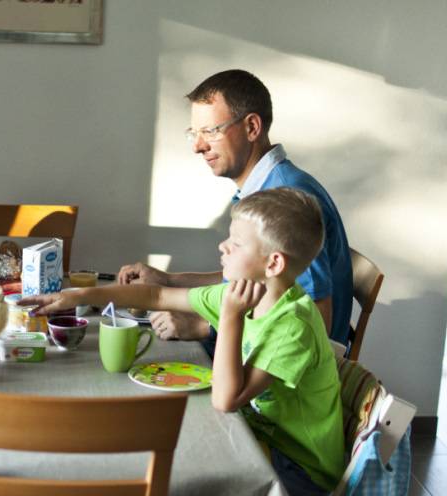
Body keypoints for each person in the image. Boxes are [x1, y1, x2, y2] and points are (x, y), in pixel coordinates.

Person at [23, 188, 343, 496]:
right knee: (164, 435)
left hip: (298, 468)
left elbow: (226, 399)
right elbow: (155, 296)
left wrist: (230, 317)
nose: (223, 247)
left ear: (273, 263)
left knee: (180, 465)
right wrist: (75, 296)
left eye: (236, 243)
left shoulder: (291, 326)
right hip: (260, 435)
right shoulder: (249, 292)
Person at [119, 69, 352, 353]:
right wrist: (169, 280)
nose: (198, 146)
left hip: (286, 379)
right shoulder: (264, 188)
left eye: (210, 131)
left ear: (252, 127)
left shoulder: (287, 198)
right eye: (194, 132)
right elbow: (247, 280)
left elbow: (315, 323)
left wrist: (206, 326)